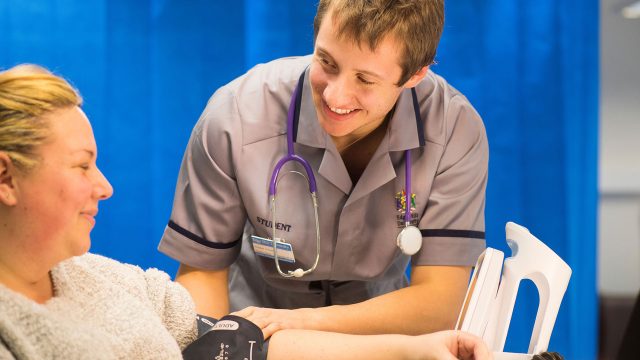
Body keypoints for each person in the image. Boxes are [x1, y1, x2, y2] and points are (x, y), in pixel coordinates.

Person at [0, 64, 492, 359]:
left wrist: (413, 350)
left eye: (367, 78)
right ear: (6, 178)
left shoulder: (106, 281)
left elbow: (240, 343)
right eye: (82, 166)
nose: (105, 187)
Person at [159, 0, 489, 338]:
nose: (335, 95)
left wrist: (298, 324)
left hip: (383, 339)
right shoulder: (236, 116)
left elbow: (440, 302)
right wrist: (220, 348)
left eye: (365, 79)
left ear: (416, 73)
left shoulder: (453, 129)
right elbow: (201, 274)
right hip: (252, 334)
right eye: (326, 62)